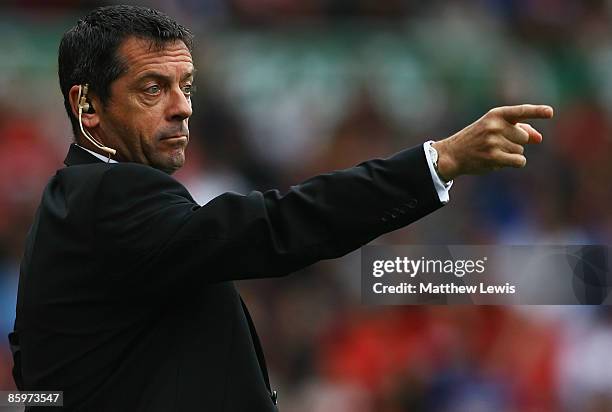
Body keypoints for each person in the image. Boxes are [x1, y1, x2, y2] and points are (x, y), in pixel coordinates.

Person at [8, 5, 553, 412]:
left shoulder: (72, 206)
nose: (182, 108)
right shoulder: (109, 194)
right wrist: (440, 160)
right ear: (88, 107)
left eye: (187, 86)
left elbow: (37, 379)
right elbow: (274, 227)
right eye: (153, 89)